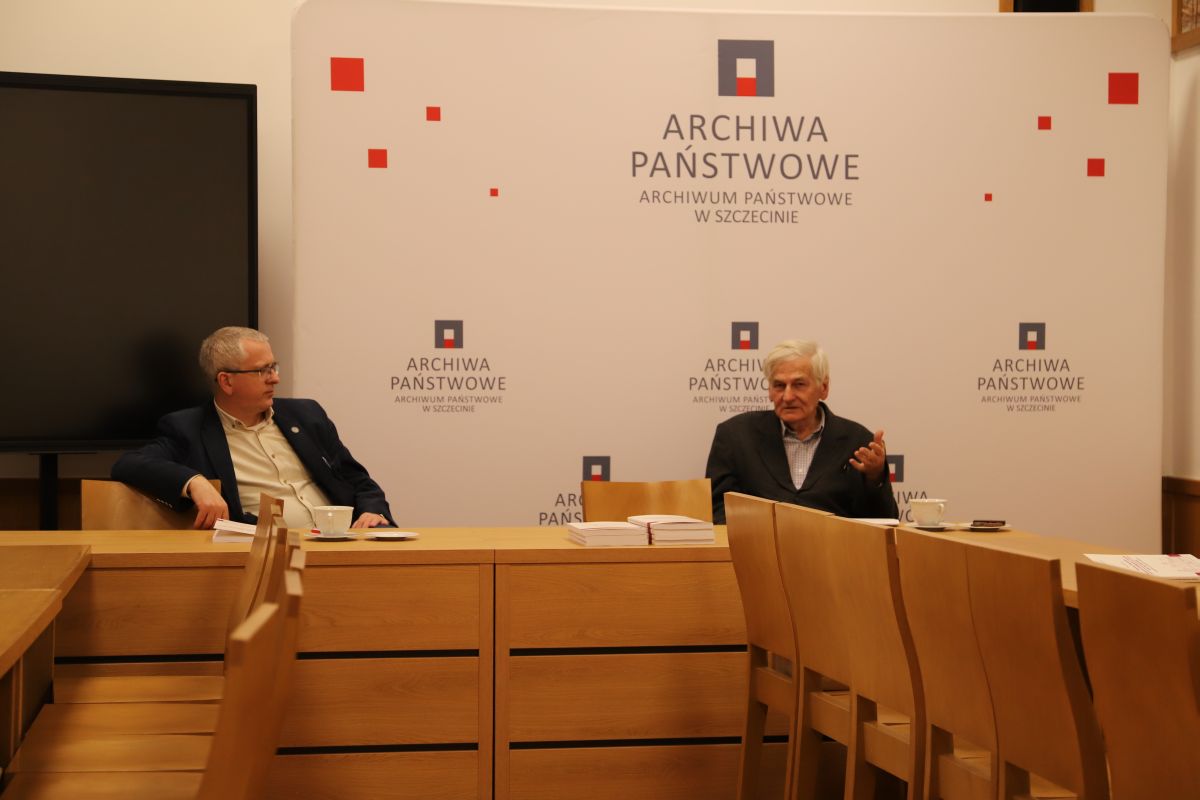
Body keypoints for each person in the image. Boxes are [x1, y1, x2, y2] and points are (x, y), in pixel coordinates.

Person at [112, 326, 393, 530]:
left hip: (343, 540)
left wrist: (373, 512)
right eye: (262, 371)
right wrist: (195, 482)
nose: (275, 379)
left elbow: (357, 480)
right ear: (227, 381)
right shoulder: (188, 428)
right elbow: (128, 464)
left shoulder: (306, 415)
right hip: (270, 554)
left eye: (274, 367)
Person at [705, 339, 897, 524]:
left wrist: (875, 479)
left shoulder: (858, 442)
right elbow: (717, 510)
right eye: (779, 386)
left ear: (823, 388)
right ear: (770, 390)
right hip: (757, 544)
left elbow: (884, 522)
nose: (788, 396)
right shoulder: (735, 436)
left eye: (799, 385)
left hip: (832, 545)